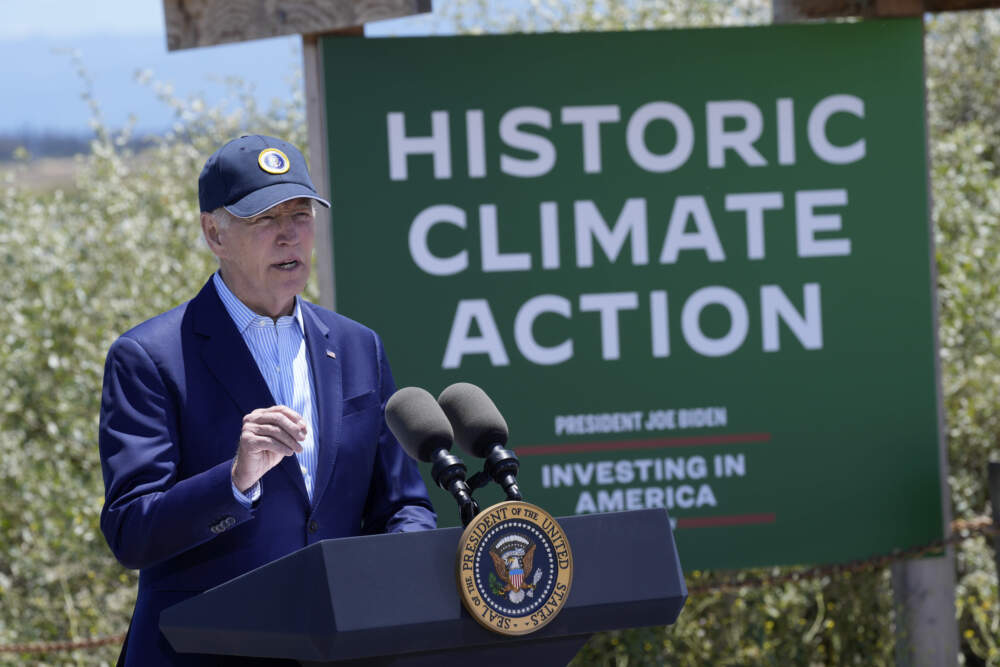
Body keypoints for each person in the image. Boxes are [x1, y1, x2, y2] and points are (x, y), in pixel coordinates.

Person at [98, 135, 436, 666]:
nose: (289, 235)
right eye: (264, 219)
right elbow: (130, 531)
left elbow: (404, 504)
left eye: (300, 214)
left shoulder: (356, 347)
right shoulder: (149, 357)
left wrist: (396, 583)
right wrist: (233, 481)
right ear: (214, 232)